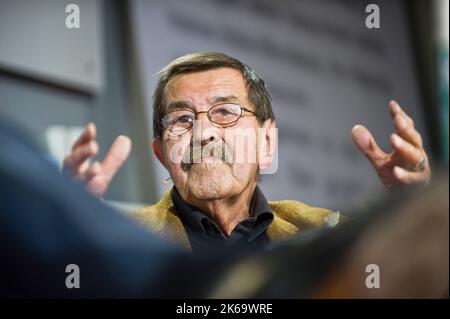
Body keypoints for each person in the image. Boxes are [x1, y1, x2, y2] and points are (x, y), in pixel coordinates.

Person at [62, 52, 432, 252]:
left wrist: (415, 207)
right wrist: (60, 228)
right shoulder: (122, 244)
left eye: (225, 112)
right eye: (181, 118)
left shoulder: (322, 237)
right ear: (162, 153)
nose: (203, 132)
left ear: (266, 144)